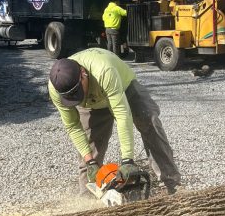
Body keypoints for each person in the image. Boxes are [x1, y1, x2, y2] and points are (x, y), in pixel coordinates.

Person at [48, 47, 182, 195]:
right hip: (94, 102)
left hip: (124, 88)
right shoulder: (55, 88)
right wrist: (89, 161)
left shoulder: (103, 71)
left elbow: (122, 114)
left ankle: (170, 183)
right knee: (90, 148)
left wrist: (127, 161)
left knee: (149, 120)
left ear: (83, 74)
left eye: (77, 92)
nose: (76, 98)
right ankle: (88, 198)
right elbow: (73, 126)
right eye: (70, 97)